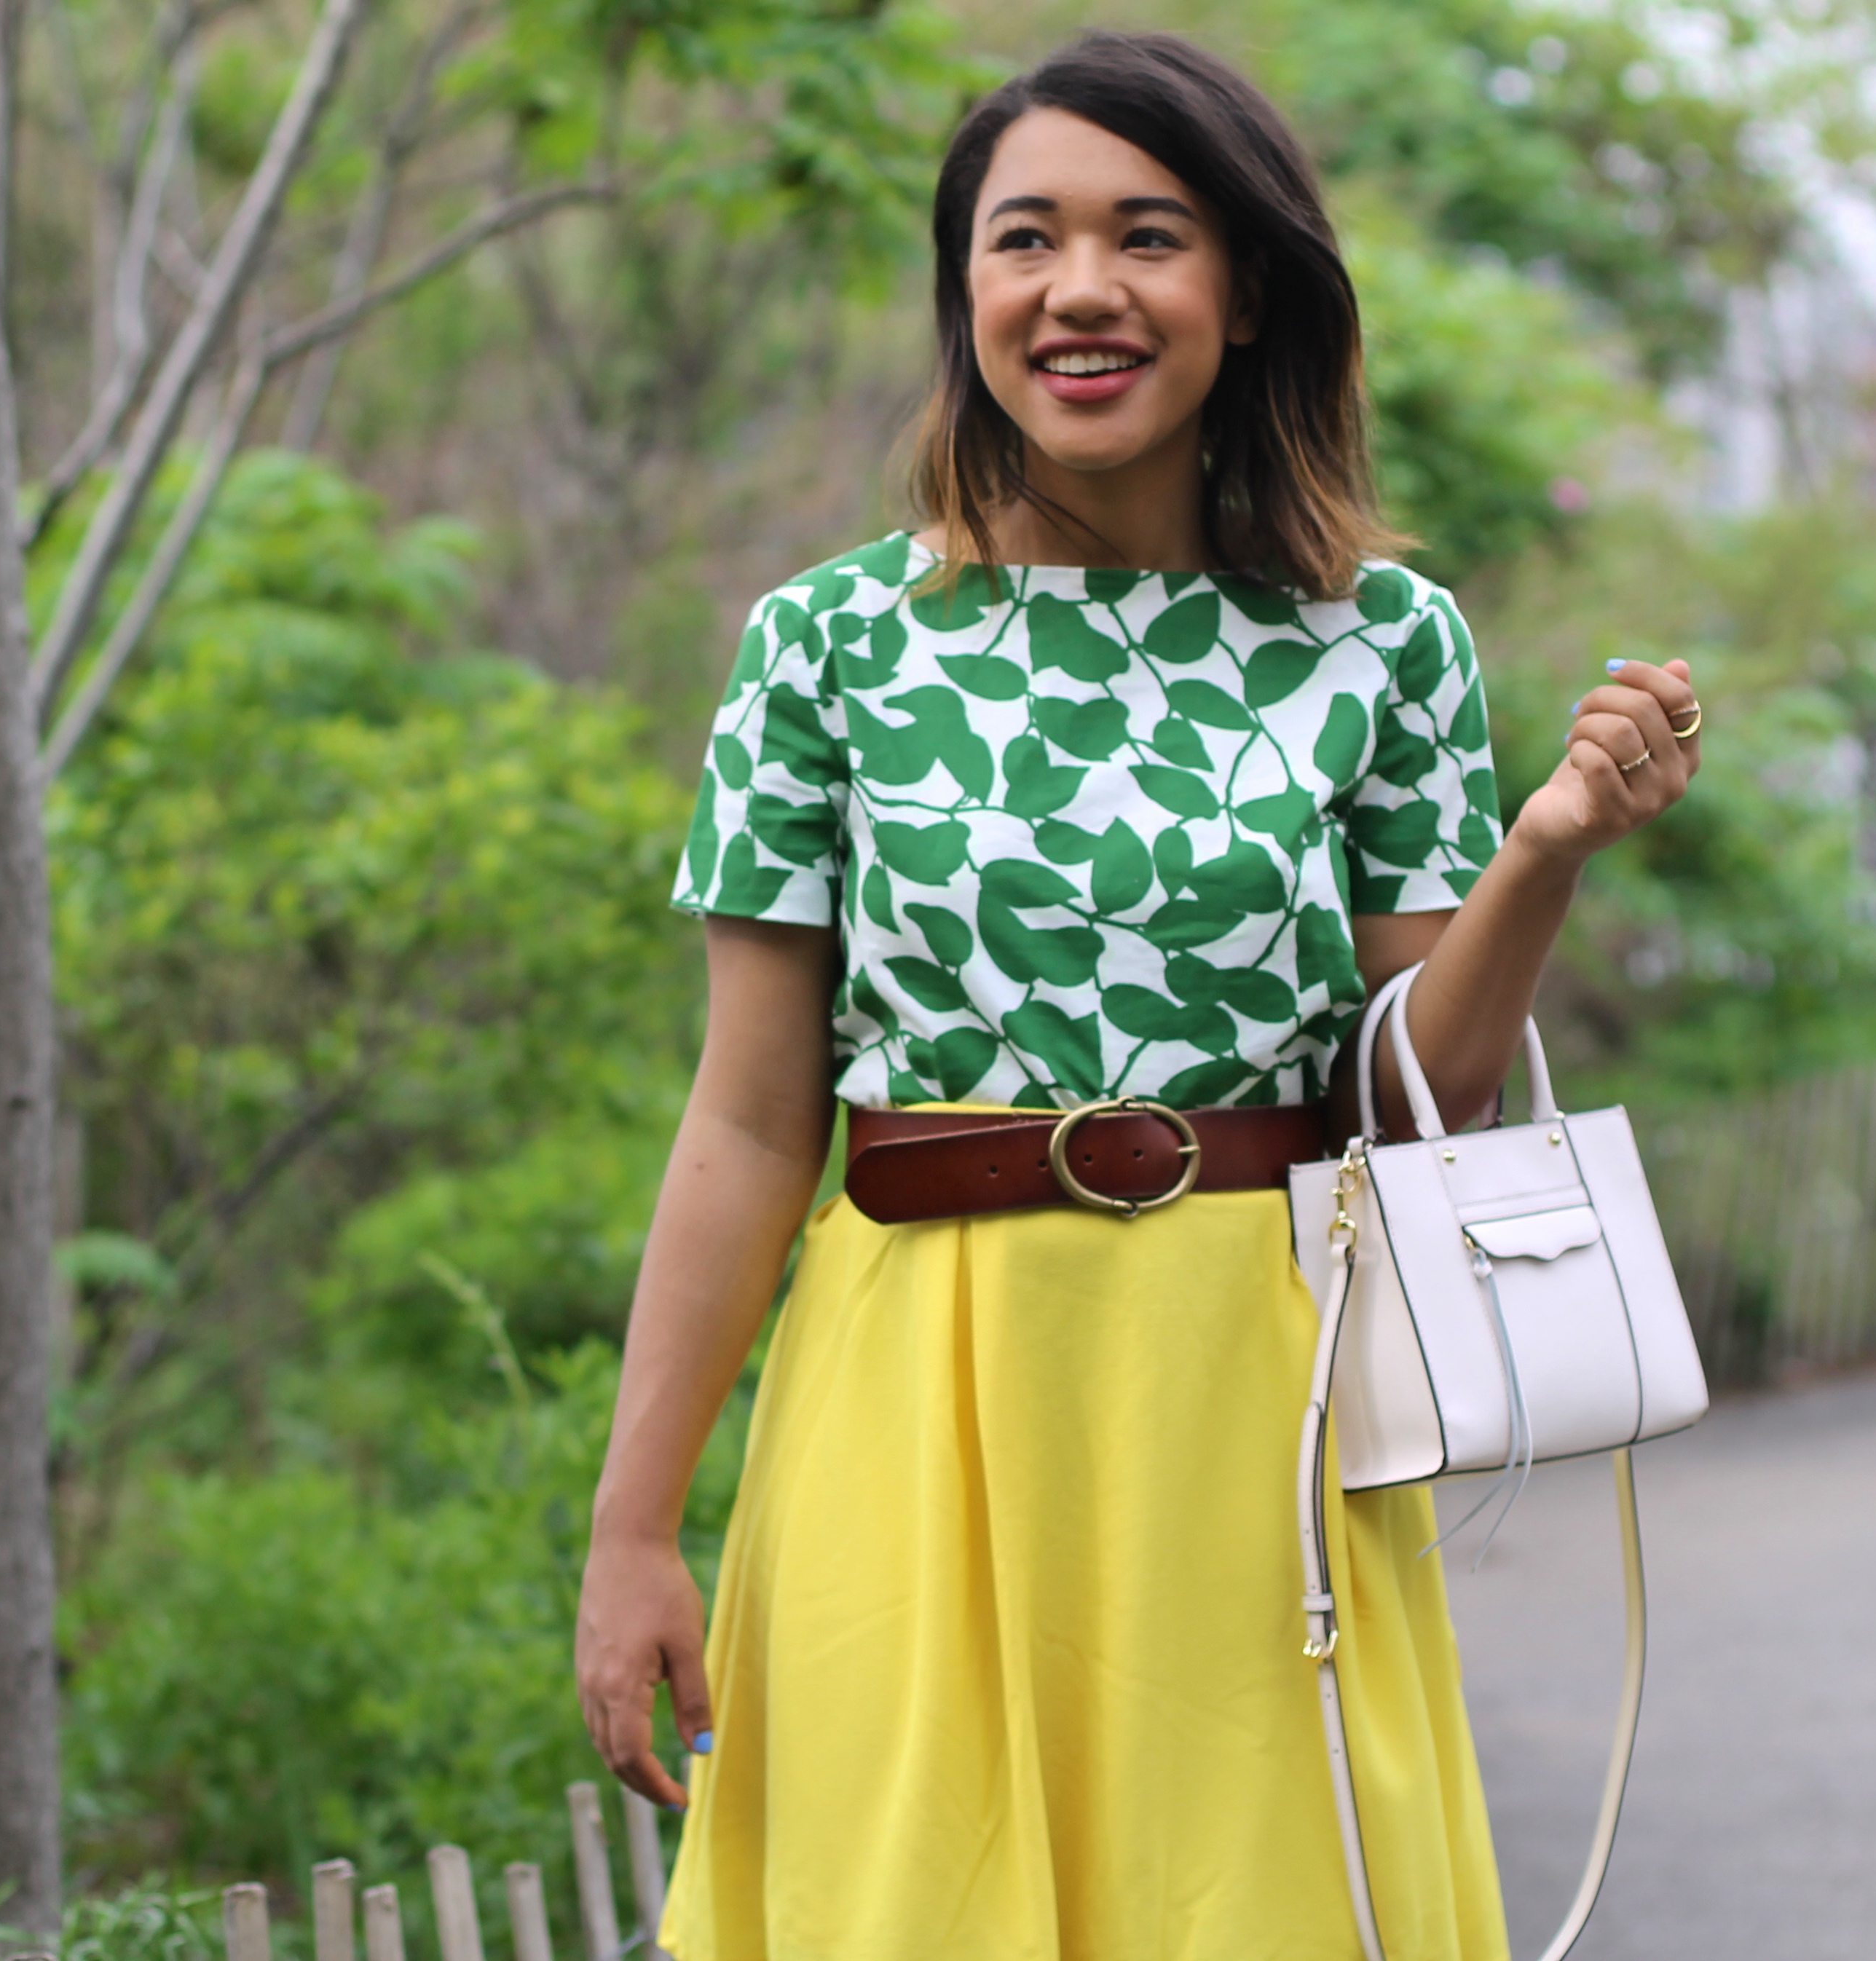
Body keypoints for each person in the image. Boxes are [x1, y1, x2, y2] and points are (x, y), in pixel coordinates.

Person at [575, 30, 1701, 1961]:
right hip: (910, 1389)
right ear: (967, 296)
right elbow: (753, 1118)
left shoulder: (1382, 643)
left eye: (1148, 237)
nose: (1080, 289)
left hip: (1248, 1395)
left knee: (1250, 1901)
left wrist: (1546, 851)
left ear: (1243, 291)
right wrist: (630, 1527)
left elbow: (1420, 1079)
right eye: (1025, 241)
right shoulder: (827, 645)